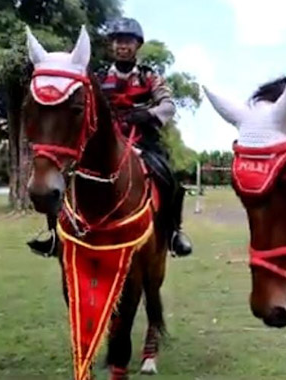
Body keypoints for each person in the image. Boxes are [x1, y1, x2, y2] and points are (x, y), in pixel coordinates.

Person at [27, 17, 193, 258]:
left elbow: (168, 106)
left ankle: (173, 232)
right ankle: (54, 234)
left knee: (168, 177)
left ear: (137, 46)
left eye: (128, 41)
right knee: (64, 172)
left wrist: (147, 114)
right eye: (117, 41)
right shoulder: (99, 77)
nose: (122, 46)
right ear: (111, 46)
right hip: (105, 141)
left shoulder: (149, 77)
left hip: (141, 140)